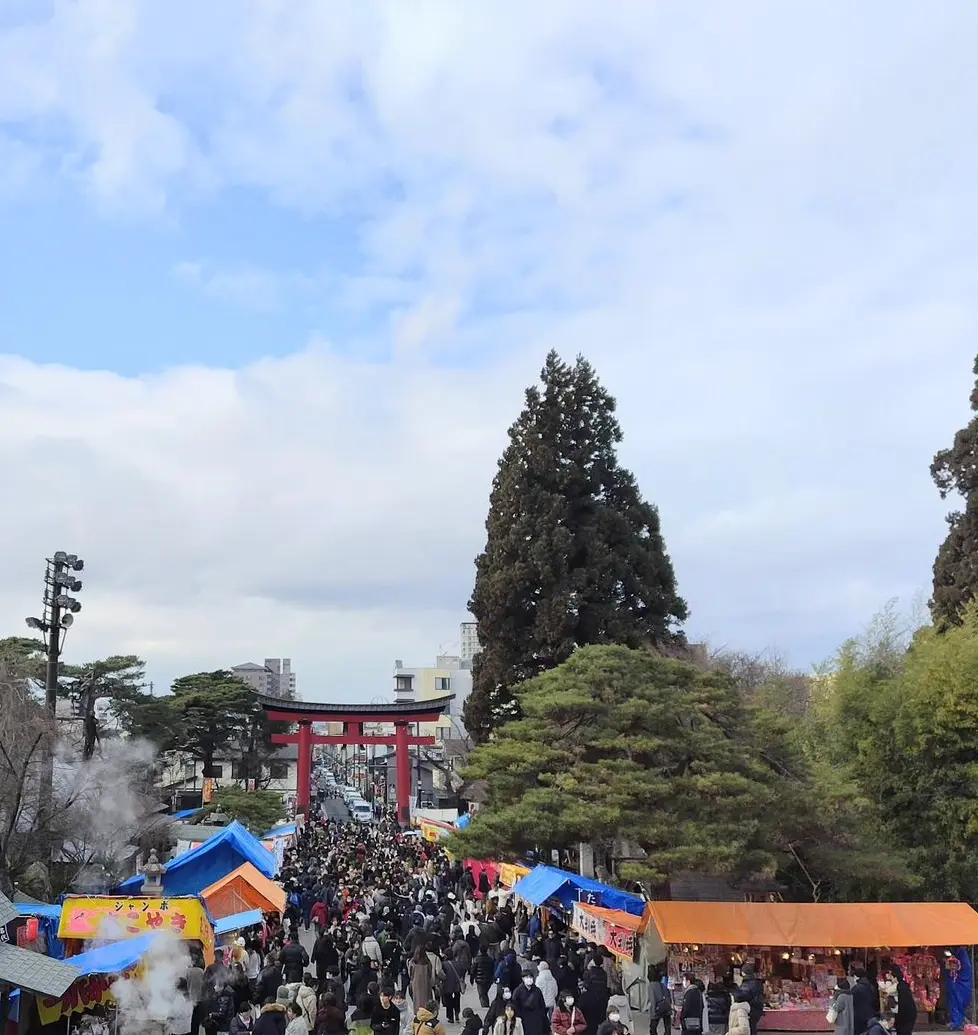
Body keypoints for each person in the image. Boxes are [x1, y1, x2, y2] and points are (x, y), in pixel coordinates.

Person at [883, 965, 916, 1035]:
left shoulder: (900, 987)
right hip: (907, 1015)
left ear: (895, 977)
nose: (890, 978)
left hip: (905, 1016)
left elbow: (903, 1004)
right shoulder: (902, 985)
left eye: (891, 976)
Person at [850, 967, 879, 1035]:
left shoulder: (856, 988)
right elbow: (874, 1000)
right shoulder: (871, 986)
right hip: (870, 1014)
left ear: (857, 977)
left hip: (858, 1016)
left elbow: (852, 1001)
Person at [737, 966, 764, 1035]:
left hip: (751, 1009)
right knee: (752, 1027)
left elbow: (741, 996)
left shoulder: (747, 984)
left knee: (749, 1028)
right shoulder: (757, 983)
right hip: (757, 1008)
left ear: (743, 973)